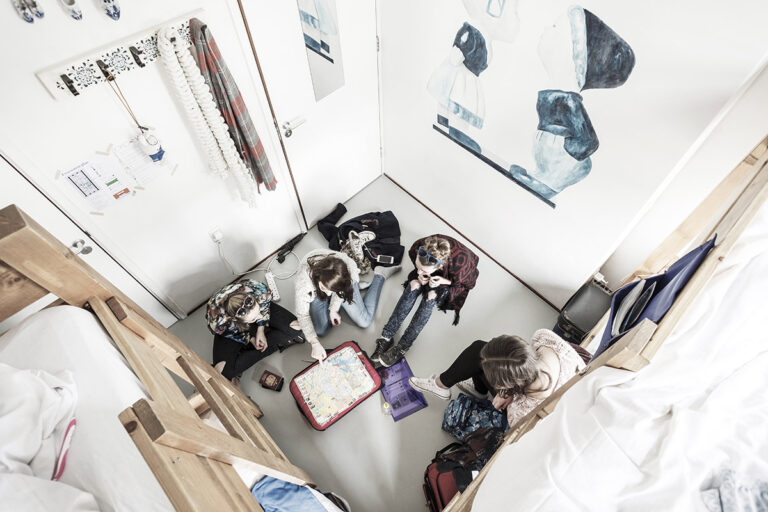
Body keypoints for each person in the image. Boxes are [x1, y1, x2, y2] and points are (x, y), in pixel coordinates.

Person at [408, 329, 590, 427]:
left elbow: (515, 423)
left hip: (531, 405)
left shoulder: (520, 412)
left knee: (479, 356)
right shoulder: (546, 342)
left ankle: (445, 385)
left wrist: (506, 394)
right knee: (482, 350)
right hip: (530, 381)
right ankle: (468, 387)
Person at [372, 234, 480, 367]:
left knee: (430, 299)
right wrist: (418, 275)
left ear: (440, 267)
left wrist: (444, 282)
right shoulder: (419, 246)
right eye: (418, 266)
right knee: (413, 287)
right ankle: (386, 337)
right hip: (434, 266)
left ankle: (402, 347)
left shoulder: (461, 268)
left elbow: (467, 285)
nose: (419, 270)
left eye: (423, 269)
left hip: (450, 279)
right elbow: (416, 264)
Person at [295, 249, 401, 362]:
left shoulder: (348, 269)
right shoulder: (304, 283)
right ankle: (353, 289)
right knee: (320, 330)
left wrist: (333, 309)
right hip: (317, 288)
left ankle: (380, 275)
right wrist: (314, 343)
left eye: (332, 291)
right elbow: (303, 315)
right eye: (324, 288)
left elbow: (338, 291)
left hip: (342, 285)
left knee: (364, 321)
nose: (328, 294)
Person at [206, 279, 305, 386]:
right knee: (224, 372)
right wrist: (251, 339)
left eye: (258, 312)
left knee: (296, 328)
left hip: (255, 307)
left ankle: (252, 347)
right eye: (254, 319)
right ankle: (272, 344)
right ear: (235, 320)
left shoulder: (261, 291)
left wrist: (260, 329)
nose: (260, 317)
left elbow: (264, 311)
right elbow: (233, 332)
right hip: (231, 327)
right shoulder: (219, 323)